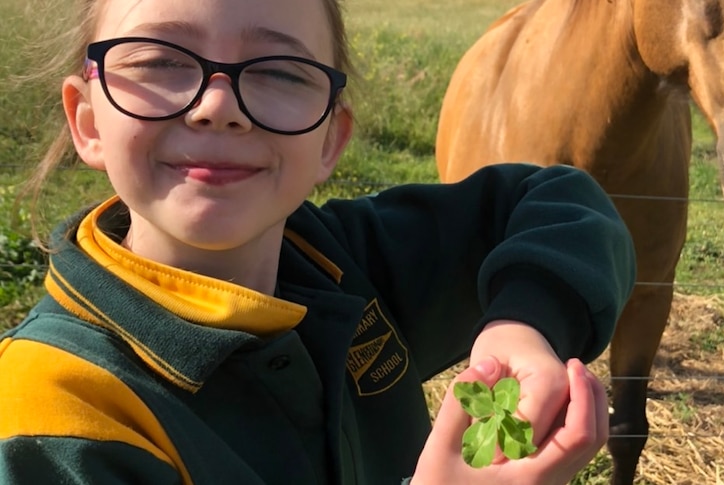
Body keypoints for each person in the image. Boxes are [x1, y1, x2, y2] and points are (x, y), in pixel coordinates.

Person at [0, 0, 636, 483]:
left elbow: (559, 200)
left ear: (330, 140)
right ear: (87, 121)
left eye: (279, 71)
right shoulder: (52, 412)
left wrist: (524, 322)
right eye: (162, 61)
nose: (219, 105)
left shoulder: (339, 263)